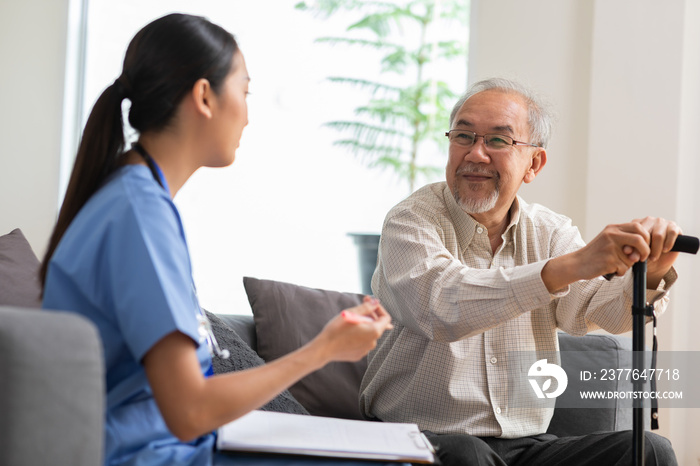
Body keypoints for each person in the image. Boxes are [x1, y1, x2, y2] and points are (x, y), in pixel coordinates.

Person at [40, 13, 394, 466]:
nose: (247, 115)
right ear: (205, 96)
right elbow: (189, 411)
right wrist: (323, 350)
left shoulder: (131, 197)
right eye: (244, 92)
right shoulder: (139, 214)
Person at [359, 77, 681, 465]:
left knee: (649, 451)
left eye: (498, 140)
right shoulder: (410, 220)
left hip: (526, 446)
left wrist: (650, 274)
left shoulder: (550, 231)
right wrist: (568, 267)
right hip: (422, 441)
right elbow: (443, 306)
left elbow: (597, 311)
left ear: (534, 164)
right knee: (466, 454)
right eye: (463, 136)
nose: (476, 153)